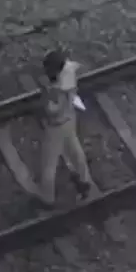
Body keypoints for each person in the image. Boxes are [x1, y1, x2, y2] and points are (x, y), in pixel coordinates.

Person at [35, 49, 92, 207]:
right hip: (70, 120)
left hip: (56, 127)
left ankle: (47, 198)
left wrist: (46, 95)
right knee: (75, 150)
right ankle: (84, 180)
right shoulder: (69, 79)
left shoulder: (55, 91)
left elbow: (51, 111)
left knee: (49, 163)